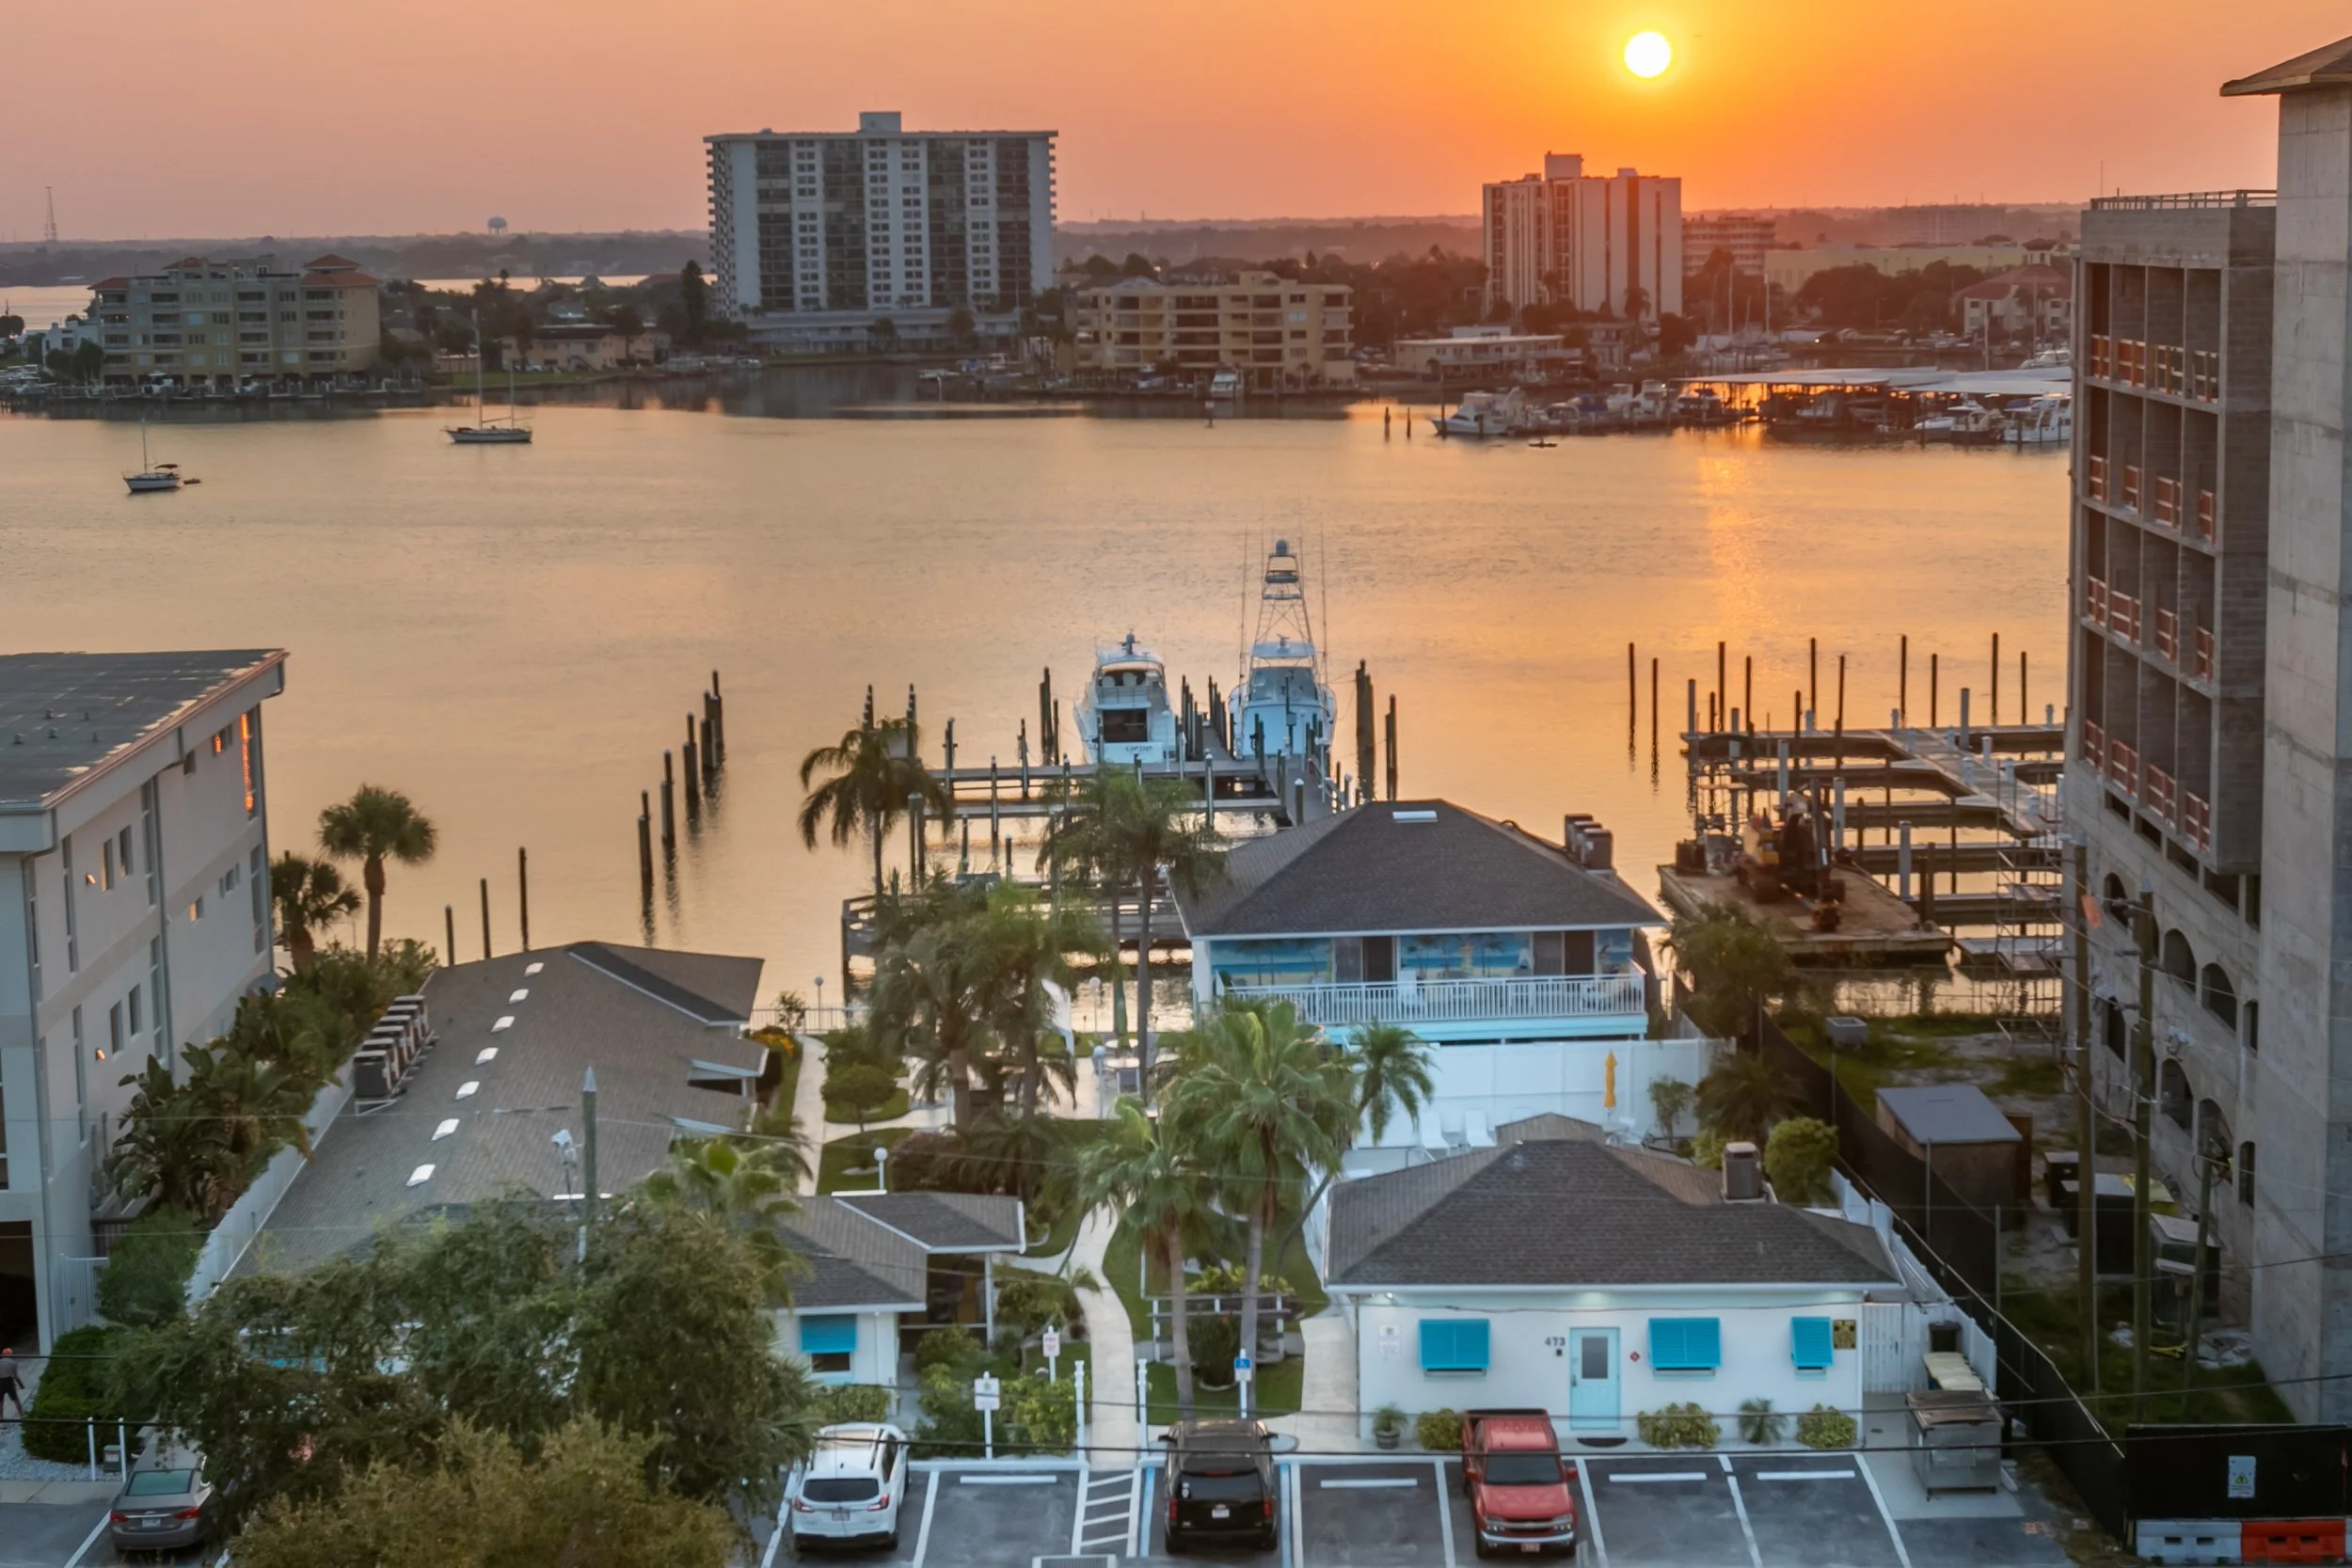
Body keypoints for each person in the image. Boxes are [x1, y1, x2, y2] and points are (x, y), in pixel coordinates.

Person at [0, 1348, 23, 1419]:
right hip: (9, 1382)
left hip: (0, 1382)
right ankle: (22, 1415)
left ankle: (1, 1417)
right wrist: (21, 1385)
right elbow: (15, 1376)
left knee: (0, 1401)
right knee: (15, 1400)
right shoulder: (14, 1363)